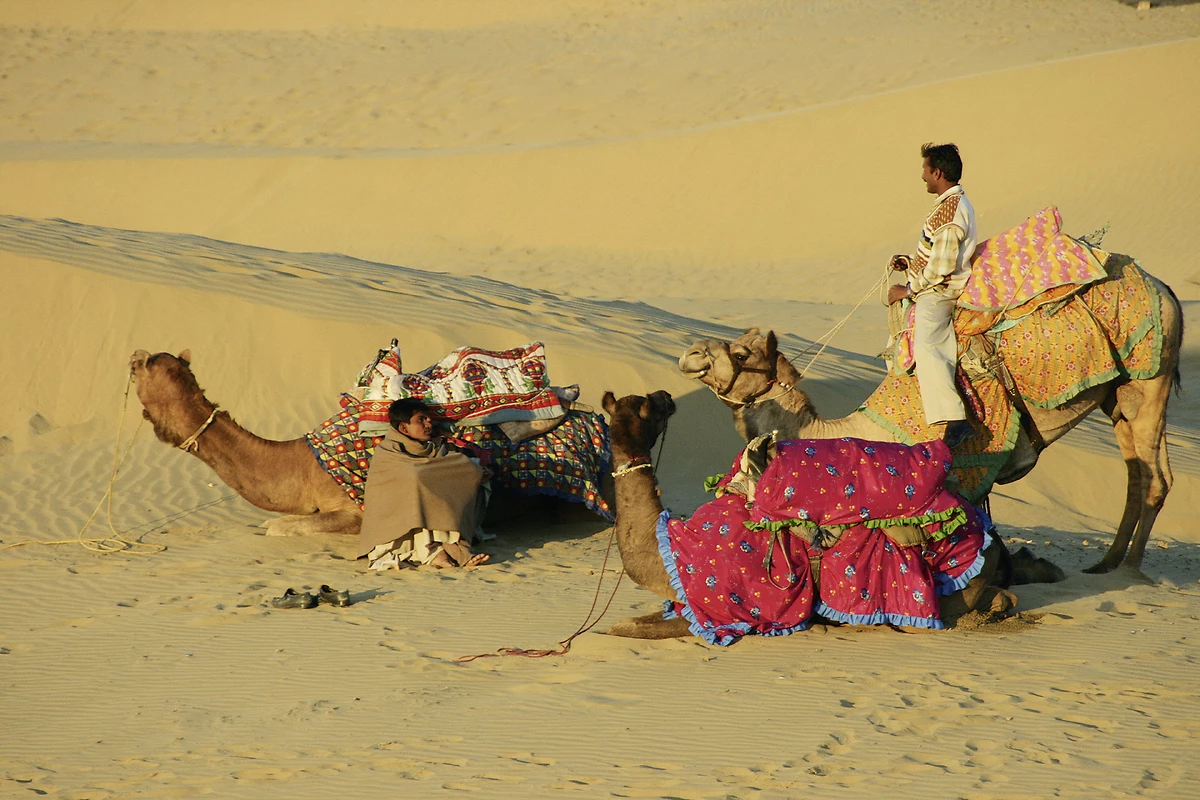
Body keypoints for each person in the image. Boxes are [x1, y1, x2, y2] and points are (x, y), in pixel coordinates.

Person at [887, 142, 977, 449]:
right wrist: (910, 265)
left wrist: (908, 289)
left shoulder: (952, 212)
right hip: (931, 286)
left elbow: (942, 267)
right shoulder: (946, 206)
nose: (923, 176)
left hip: (939, 293)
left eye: (926, 170)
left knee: (927, 345)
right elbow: (935, 255)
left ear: (937, 172)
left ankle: (955, 419)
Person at [357, 398, 490, 569]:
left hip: (428, 514)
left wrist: (476, 470)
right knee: (418, 486)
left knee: (440, 485)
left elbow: (452, 465)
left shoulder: (433, 448)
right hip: (396, 527)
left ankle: (450, 547)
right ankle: (433, 552)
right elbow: (414, 475)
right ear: (403, 428)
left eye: (428, 419)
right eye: (421, 420)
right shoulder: (388, 451)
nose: (428, 424)